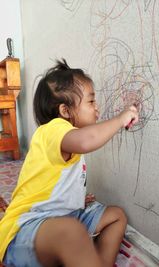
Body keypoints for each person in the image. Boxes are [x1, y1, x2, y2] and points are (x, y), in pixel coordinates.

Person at [0, 59, 139, 267]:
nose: (97, 108)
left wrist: (74, 200)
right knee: (71, 232)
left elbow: (56, 183)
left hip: (65, 216)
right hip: (26, 228)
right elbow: (87, 140)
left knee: (116, 216)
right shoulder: (52, 130)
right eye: (91, 102)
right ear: (65, 111)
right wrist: (121, 119)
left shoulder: (67, 142)